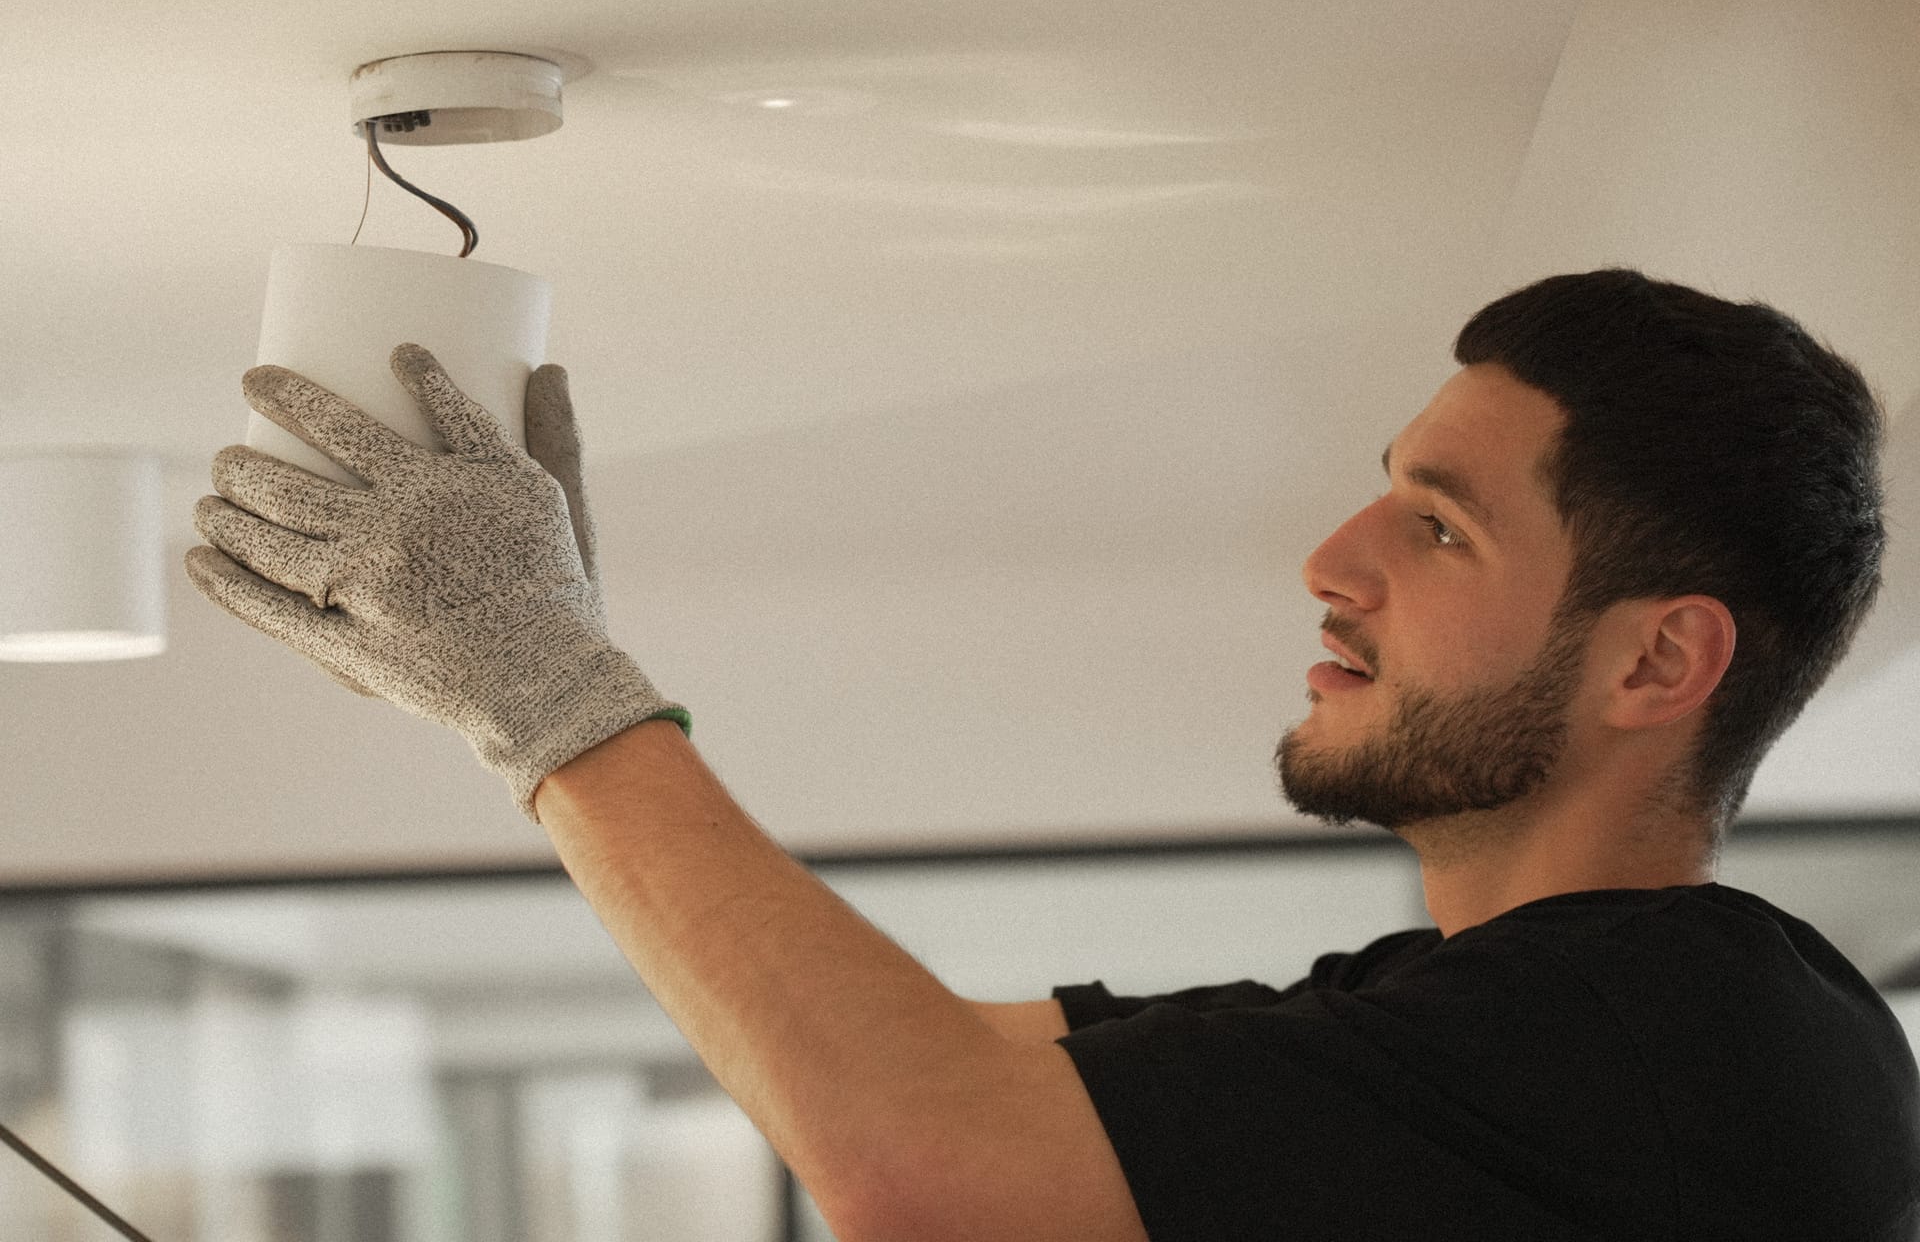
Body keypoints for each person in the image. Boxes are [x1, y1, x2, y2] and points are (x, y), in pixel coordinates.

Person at [185, 267, 1920, 1241]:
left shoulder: (1686, 1023)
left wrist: (547, 688)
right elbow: (897, 1068)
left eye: (1438, 527)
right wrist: (510, 674)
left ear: (1657, 661)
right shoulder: (1485, 1026)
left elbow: (917, 1158)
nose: (1334, 557)